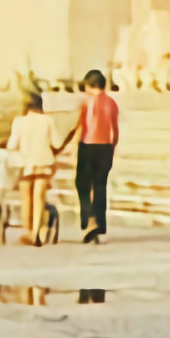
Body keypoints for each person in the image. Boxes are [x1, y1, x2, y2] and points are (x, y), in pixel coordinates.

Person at [71, 69, 121, 244]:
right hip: (106, 146)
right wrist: (111, 149)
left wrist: (74, 145)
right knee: (100, 185)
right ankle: (100, 221)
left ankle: (89, 219)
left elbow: (83, 126)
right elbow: (115, 130)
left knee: (82, 184)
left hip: (89, 145)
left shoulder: (88, 102)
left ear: (89, 85)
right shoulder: (112, 103)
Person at [6, 91, 59, 247]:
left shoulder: (19, 122)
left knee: (26, 199)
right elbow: (56, 143)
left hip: (25, 165)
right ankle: (37, 232)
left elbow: (11, 145)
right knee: (39, 199)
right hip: (44, 163)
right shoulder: (48, 121)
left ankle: (28, 231)